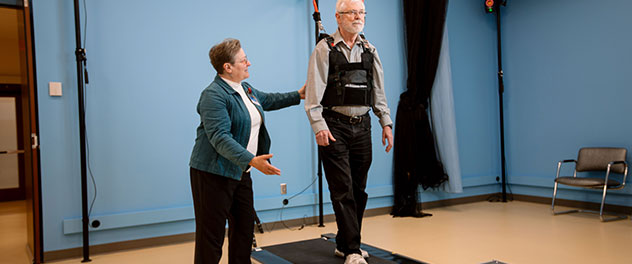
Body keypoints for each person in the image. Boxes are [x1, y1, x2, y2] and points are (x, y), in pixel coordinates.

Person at [189, 38, 305, 264]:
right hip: (213, 174)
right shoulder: (213, 95)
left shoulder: (245, 88)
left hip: (241, 171)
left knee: (243, 230)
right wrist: (252, 160)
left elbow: (267, 100)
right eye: (243, 60)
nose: (249, 63)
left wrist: (298, 95)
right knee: (210, 236)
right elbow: (220, 138)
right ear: (228, 67)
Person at [304, 0, 393, 264]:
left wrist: (385, 123)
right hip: (334, 127)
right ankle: (354, 250)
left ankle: (344, 243)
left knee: (358, 189)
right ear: (338, 17)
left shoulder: (370, 49)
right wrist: (318, 126)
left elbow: (378, 91)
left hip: (362, 126)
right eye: (352, 12)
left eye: (361, 12)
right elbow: (313, 92)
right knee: (342, 188)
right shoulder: (325, 49)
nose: (358, 16)